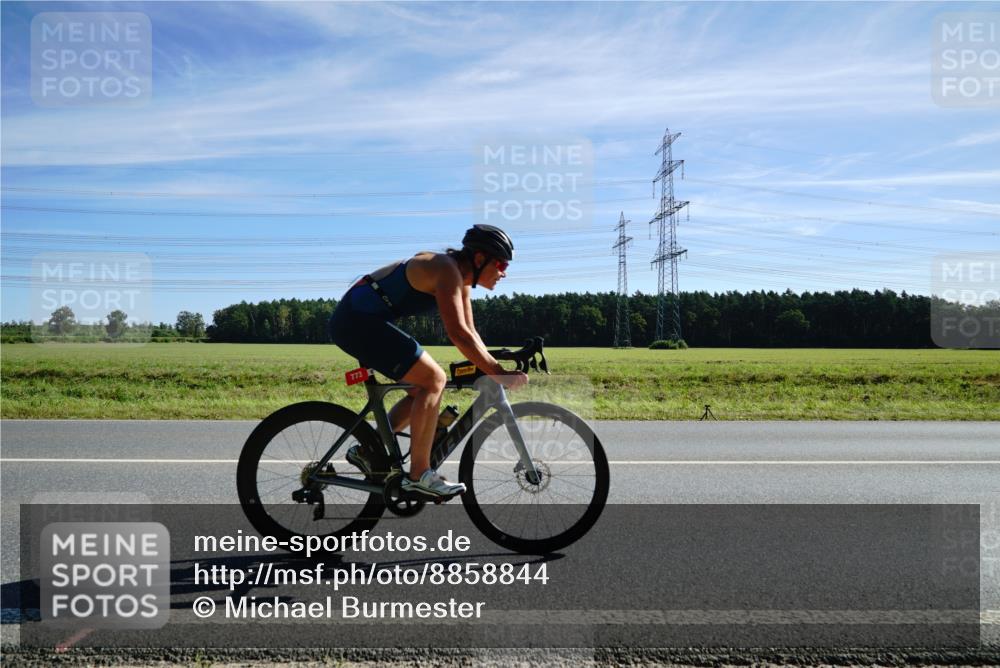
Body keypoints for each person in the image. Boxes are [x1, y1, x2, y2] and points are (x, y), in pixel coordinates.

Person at [328, 224, 528, 499]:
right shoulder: (445, 269)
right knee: (434, 380)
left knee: (421, 391)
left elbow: (470, 333)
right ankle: (419, 475)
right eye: (501, 263)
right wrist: (496, 373)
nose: (504, 272)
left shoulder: (458, 279)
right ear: (480, 259)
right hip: (357, 322)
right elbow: (457, 334)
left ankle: (367, 451)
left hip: (362, 320)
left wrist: (495, 364)